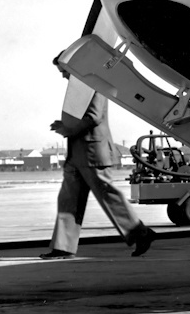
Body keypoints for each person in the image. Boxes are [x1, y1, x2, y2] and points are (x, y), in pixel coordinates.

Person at [43, 89, 156, 259]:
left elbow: (94, 117)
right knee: (68, 200)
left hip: (92, 153)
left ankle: (141, 233)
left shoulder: (94, 85)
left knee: (107, 195)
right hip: (78, 153)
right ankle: (63, 247)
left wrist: (68, 130)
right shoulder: (80, 88)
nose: (64, 75)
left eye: (64, 70)